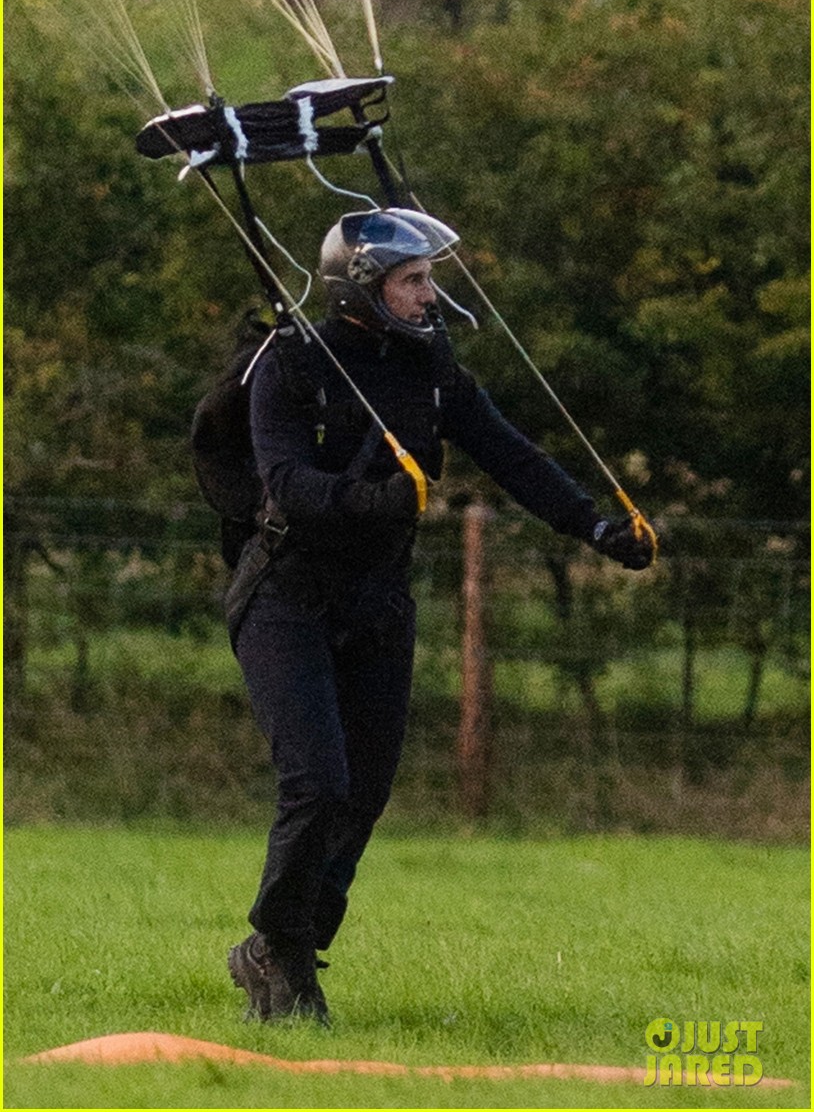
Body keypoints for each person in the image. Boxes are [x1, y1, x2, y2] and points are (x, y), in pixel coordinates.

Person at [226, 207, 655, 1024]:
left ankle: (290, 950)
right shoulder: (290, 366)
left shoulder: (429, 366)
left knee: (364, 796)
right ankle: (278, 949)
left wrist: (596, 527)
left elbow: (509, 453)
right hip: (288, 597)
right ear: (366, 288)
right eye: (414, 280)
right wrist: (378, 500)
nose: (431, 296)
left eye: (429, 279)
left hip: (378, 601)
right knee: (318, 782)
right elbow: (287, 487)